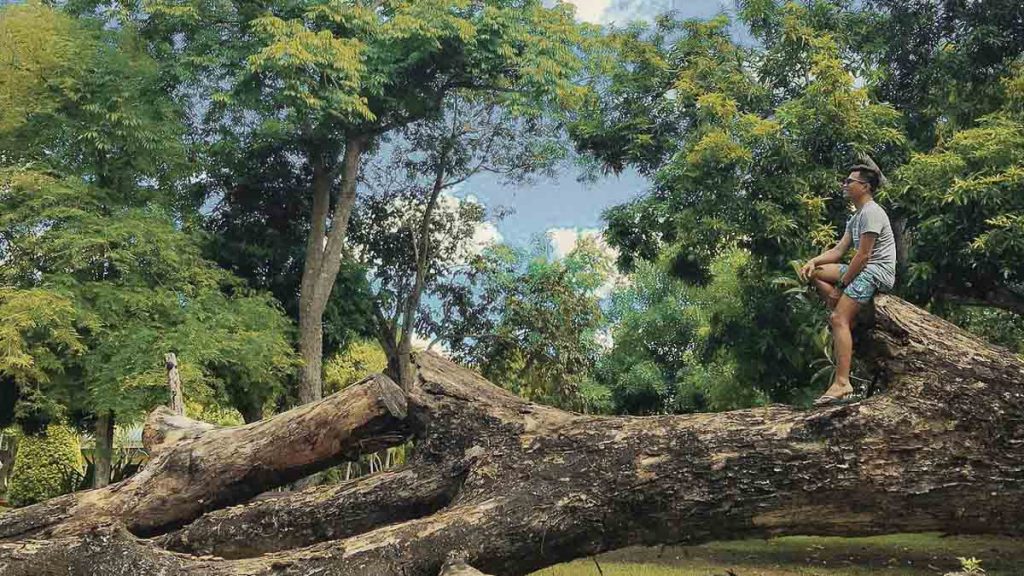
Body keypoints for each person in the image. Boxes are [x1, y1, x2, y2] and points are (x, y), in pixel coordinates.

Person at [798, 164, 896, 406]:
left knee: (837, 320)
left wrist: (842, 285)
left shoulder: (872, 212)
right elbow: (839, 250)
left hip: (876, 271)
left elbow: (863, 256)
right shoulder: (856, 216)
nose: (844, 184)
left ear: (865, 187)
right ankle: (845, 310)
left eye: (849, 181)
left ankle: (842, 382)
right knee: (816, 272)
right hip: (863, 268)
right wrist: (812, 261)